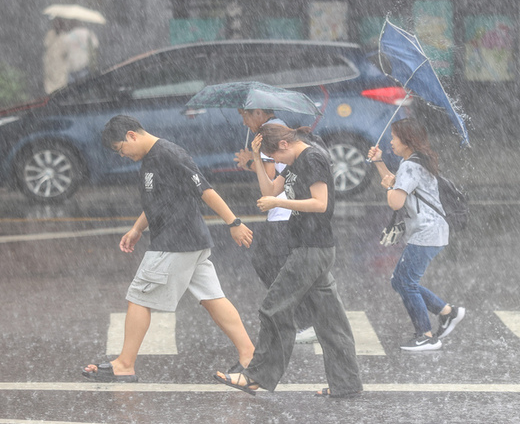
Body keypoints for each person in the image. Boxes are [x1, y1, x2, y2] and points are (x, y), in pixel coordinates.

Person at [82, 115, 255, 382]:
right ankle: (249, 356)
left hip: (175, 242)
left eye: (121, 149)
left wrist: (234, 222)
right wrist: (138, 228)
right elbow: (160, 200)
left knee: (139, 297)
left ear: (131, 135)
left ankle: (124, 365)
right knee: (212, 298)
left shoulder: (169, 154)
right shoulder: (151, 158)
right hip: (187, 241)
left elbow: (205, 190)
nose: (122, 155)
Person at [214, 123, 362, 398]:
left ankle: (256, 376)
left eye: (275, 157)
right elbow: (269, 191)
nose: (277, 163)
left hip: (311, 248)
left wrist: (280, 204)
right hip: (309, 246)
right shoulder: (294, 161)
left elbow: (320, 203)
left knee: (274, 307)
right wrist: (258, 159)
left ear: (284, 145)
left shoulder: (312, 158)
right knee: (330, 321)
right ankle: (346, 384)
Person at [368, 118, 465, 352]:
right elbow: (397, 184)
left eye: (394, 138)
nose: (391, 142)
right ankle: (447, 312)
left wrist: (389, 188)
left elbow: (396, 201)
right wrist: (379, 162)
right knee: (400, 281)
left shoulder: (410, 165)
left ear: (407, 140)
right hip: (431, 230)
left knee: (405, 282)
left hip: (427, 232)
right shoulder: (415, 161)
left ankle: (427, 335)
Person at [233, 109, 316, 344]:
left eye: (245, 116)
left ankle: (307, 319)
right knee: (277, 265)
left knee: (272, 265)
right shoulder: (277, 127)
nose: (244, 121)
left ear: (258, 112)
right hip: (283, 211)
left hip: (283, 214)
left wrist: (251, 161)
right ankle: (307, 317)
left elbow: (270, 176)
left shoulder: (267, 133)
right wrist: (252, 161)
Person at [43, 17, 70, 94]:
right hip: (50, 63)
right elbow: (46, 44)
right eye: (55, 23)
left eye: (59, 23)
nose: (56, 25)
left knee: (61, 86)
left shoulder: (65, 36)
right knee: (49, 85)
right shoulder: (50, 34)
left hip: (60, 65)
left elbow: (66, 51)